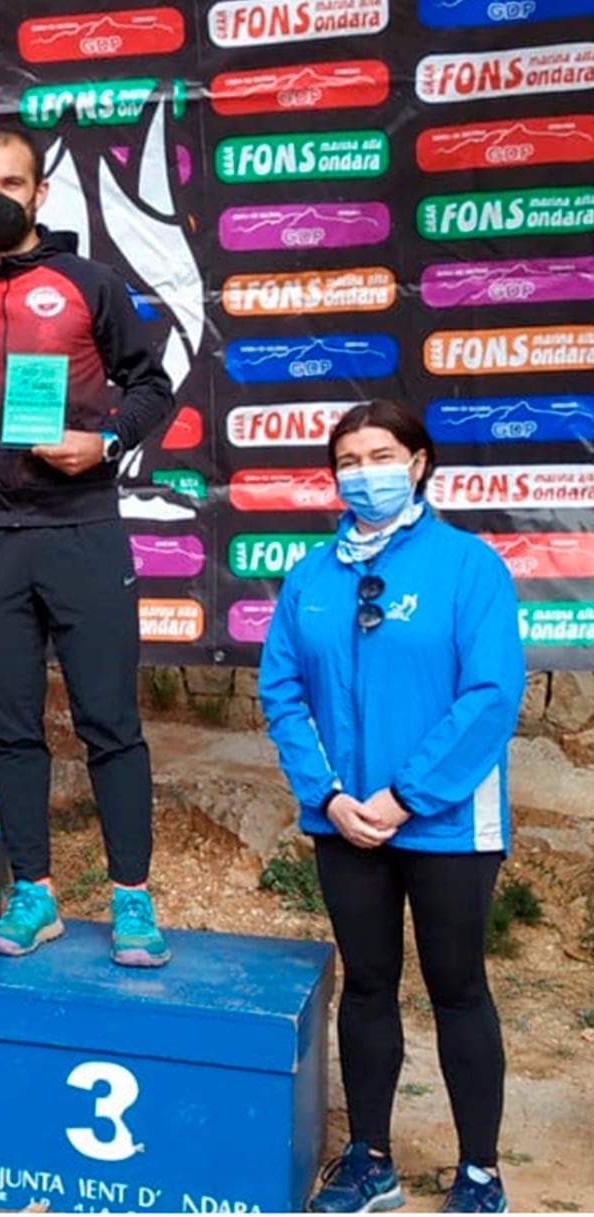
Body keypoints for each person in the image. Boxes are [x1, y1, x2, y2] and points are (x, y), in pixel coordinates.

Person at [0, 127, 176, 965]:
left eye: (10, 181)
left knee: (110, 724)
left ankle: (132, 899)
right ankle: (35, 896)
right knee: (11, 730)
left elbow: (151, 384)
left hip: (80, 526)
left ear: (39, 194)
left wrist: (107, 441)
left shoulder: (88, 282)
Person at [260, 402, 524, 1214]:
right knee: (368, 985)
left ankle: (478, 1169)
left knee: (457, 987)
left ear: (417, 463)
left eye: (380, 453)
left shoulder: (468, 565)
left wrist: (405, 795)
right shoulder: (309, 575)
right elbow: (282, 690)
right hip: (345, 823)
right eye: (347, 458)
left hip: (447, 822)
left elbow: (490, 695)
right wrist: (329, 795)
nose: (362, 470)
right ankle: (370, 1158)